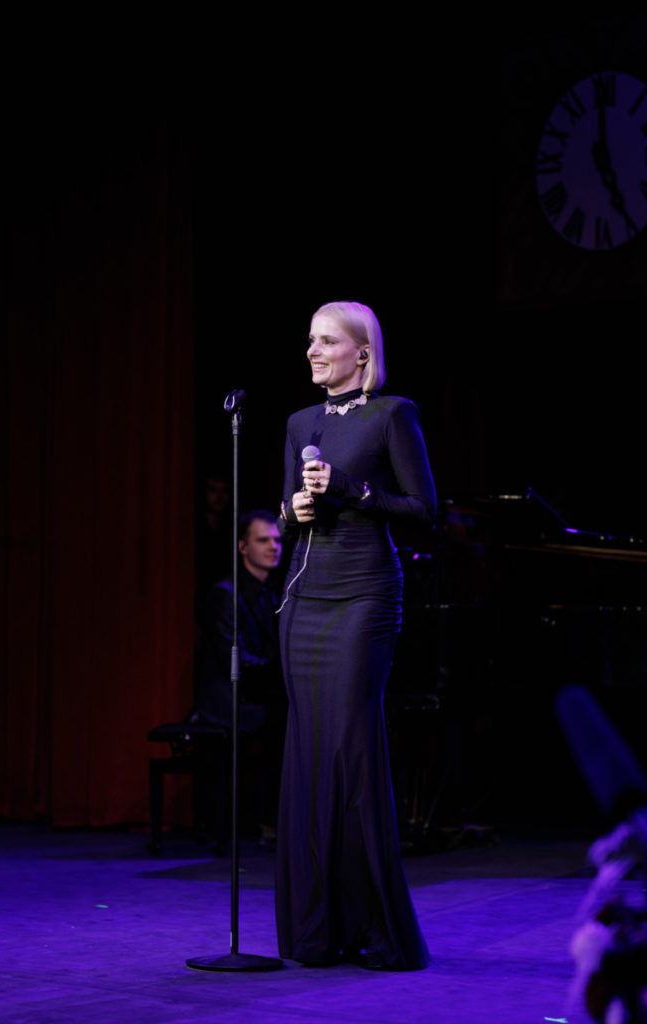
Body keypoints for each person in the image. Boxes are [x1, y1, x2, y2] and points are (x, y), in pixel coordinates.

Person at [275, 300, 436, 970]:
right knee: (310, 753)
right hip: (305, 599)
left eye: (326, 341)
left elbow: (424, 510)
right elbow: (285, 517)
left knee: (350, 747)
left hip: (365, 595)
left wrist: (354, 490)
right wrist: (294, 510)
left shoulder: (393, 414)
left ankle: (376, 928)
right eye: (310, 340)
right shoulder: (300, 423)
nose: (312, 351)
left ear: (361, 353)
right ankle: (317, 930)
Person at [194, 510, 286, 847]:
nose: (273, 547)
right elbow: (233, 660)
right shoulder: (226, 593)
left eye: (277, 540)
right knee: (285, 720)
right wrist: (278, 673)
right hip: (228, 701)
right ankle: (271, 821)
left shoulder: (274, 591)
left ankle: (281, 818)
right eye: (263, 540)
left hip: (257, 692)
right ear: (243, 547)